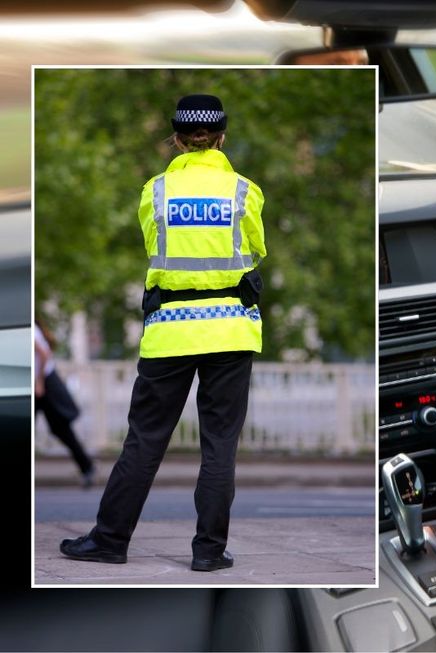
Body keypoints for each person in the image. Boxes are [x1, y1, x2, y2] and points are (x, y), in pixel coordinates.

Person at [60, 94, 266, 572]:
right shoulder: (244, 191)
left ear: (175, 138)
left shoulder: (154, 192)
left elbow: (155, 248)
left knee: (145, 440)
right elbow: (258, 248)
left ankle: (110, 540)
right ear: (221, 137)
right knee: (219, 444)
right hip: (231, 331)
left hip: (170, 331)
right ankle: (209, 553)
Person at [34, 320, 95, 489]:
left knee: (61, 428)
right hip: (40, 383)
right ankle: (87, 466)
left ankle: (87, 467)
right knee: (61, 429)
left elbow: (43, 353)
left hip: (43, 384)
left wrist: (39, 382)